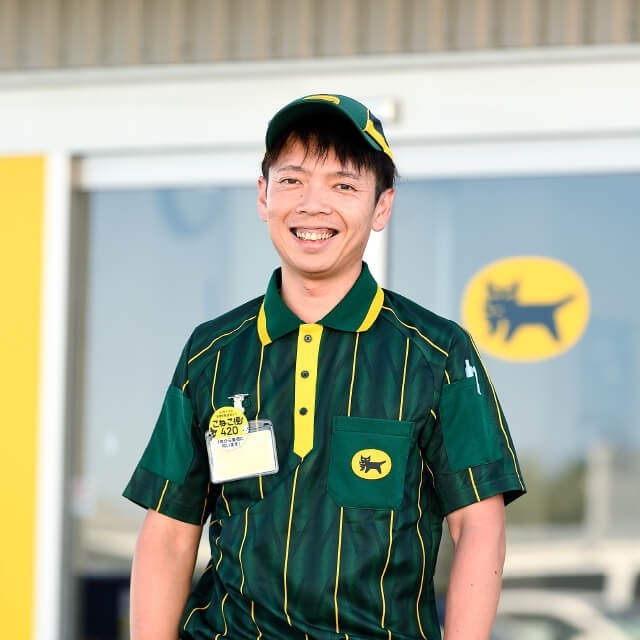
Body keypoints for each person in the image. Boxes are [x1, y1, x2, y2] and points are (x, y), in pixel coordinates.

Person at [124, 93, 526, 640]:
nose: (313, 205)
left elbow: (478, 525)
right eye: (292, 181)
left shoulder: (436, 353)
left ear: (381, 207)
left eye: (344, 186)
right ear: (263, 196)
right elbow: (170, 531)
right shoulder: (211, 353)